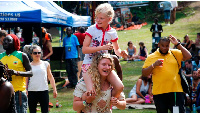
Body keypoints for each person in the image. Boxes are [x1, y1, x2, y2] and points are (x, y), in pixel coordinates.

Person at [82, 3, 126, 100]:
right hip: (89, 63)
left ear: (109, 19)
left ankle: (108, 103)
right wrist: (102, 48)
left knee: (119, 87)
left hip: (104, 63)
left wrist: (121, 53)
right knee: (91, 91)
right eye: (96, 18)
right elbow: (84, 49)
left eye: (101, 18)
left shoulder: (112, 32)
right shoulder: (92, 29)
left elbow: (117, 50)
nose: (98, 20)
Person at [142, 35, 192, 113]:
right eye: (162, 46)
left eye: (167, 46)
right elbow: (144, 73)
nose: (165, 48)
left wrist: (177, 44)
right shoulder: (151, 57)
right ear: (158, 45)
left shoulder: (175, 53)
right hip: (159, 92)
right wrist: (153, 65)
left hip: (176, 91)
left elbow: (189, 56)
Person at [0, 34, 33, 113]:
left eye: (8, 40)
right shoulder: (0, 56)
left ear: (14, 42)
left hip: (18, 93)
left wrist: (16, 72)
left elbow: (31, 72)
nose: (5, 42)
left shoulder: (21, 55)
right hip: (3, 92)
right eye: (4, 40)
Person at [27, 45, 57, 113]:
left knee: (45, 111)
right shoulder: (28, 65)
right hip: (32, 91)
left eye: (39, 52)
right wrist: (26, 89)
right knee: (32, 111)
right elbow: (26, 79)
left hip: (43, 90)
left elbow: (50, 77)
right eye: (35, 53)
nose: (37, 54)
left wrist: (54, 89)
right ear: (31, 54)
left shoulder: (45, 64)